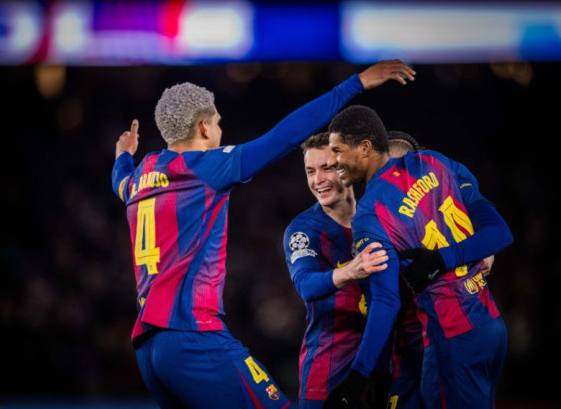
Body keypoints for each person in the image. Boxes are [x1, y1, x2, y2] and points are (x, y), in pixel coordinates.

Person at [111, 61, 416, 409]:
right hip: (193, 337)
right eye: (218, 122)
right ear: (204, 127)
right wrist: (355, 84)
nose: (220, 129)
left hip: (148, 348)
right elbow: (284, 136)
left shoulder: (141, 176)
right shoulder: (206, 167)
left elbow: (119, 182)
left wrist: (123, 156)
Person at [323, 105, 513, 409]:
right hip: (491, 325)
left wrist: (358, 376)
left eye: (337, 151)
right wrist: (456, 255)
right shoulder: (434, 162)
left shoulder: (370, 214)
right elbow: (500, 233)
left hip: (451, 336)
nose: (332, 162)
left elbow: (386, 301)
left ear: (365, 148)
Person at [282, 132, 390, 409]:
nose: (318, 179)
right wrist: (352, 270)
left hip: (383, 367)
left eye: (327, 168)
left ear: (346, 168)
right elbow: (306, 285)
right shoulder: (303, 230)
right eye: (310, 171)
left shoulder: (378, 217)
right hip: (329, 371)